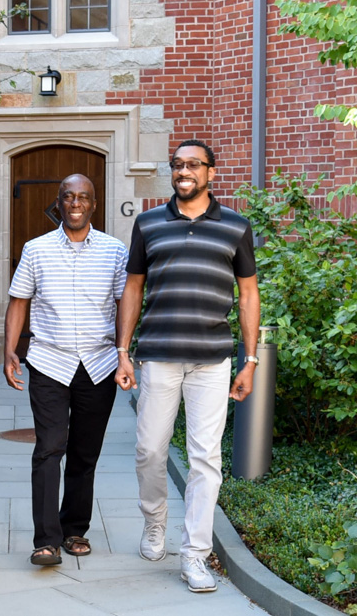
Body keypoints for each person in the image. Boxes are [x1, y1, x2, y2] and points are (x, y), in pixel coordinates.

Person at [115, 139, 260, 593]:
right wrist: (123, 350)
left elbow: (249, 294)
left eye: (193, 165)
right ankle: (154, 522)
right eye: (177, 165)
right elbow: (133, 288)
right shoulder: (148, 223)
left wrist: (250, 359)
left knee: (205, 459)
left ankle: (195, 554)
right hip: (157, 355)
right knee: (150, 452)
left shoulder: (236, 227)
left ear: (211, 173)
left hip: (212, 361)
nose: (184, 171)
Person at [3, 174, 128, 567]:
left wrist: (124, 354)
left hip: (99, 364)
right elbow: (19, 301)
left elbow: (126, 303)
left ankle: (75, 529)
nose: (76, 203)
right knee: (48, 448)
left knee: (84, 453)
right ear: (58, 203)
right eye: (69, 197)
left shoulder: (114, 251)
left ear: (94, 204)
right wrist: (10, 350)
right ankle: (46, 540)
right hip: (49, 362)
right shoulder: (36, 249)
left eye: (84, 197)